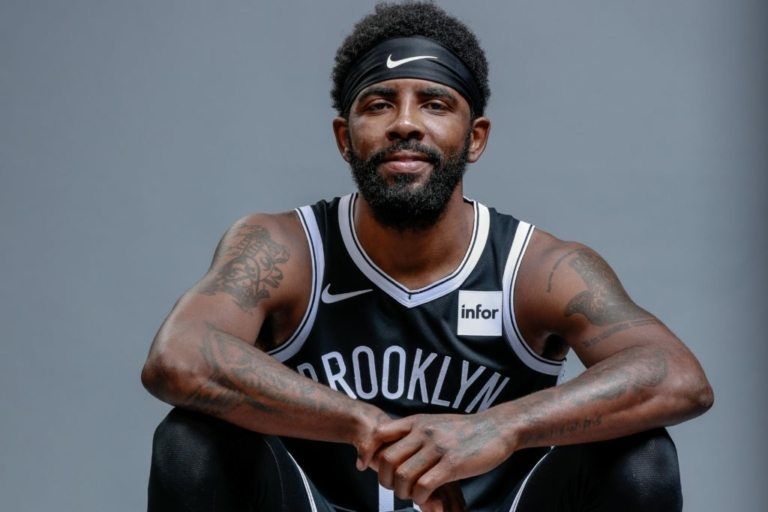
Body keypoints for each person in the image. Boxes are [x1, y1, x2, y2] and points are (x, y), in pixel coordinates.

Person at [140, 3, 713, 511]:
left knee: (643, 456)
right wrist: (363, 423)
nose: (406, 123)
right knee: (189, 443)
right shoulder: (284, 248)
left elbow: (678, 377)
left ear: (475, 137)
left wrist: (501, 426)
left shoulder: (536, 269)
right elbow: (177, 357)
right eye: (379, 104)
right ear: (344, 137)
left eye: (435, 104)